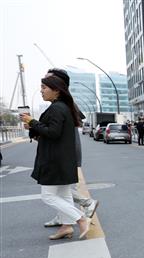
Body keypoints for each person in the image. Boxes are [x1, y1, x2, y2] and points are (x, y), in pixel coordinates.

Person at [20, 75, 90, 240]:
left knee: (48, 196)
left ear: (56, 90)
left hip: (54, 160)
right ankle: (66, 228)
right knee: (64, 195)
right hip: (62, 160)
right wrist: (33, 124)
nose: (41, 90)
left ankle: (81, 218)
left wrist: (32, 122)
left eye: (44, 87)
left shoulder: (57, 108)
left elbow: (53, 132)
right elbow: (51, 130)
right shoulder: (63, 107)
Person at [42, 68, 98, 227]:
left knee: (58, 189)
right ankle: (65, 219)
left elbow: (58, 133)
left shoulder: (64, 104)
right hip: (65, 152)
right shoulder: (61, 103)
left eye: (47, 80)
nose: (43, 84)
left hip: (66, 152)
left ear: (58, 84)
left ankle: (83, 206)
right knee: (60, 188)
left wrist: (36, 126)